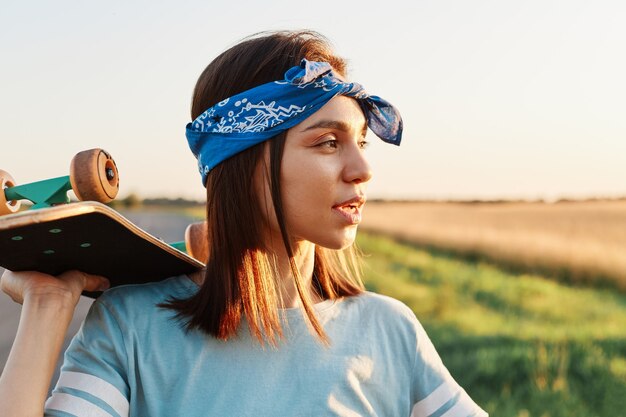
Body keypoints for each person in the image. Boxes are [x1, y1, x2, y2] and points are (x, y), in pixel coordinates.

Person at [0, 30, 488, 417]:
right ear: (243, 161)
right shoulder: (131, 326)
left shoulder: (390, 330)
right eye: (326, 142)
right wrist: (47, 304)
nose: (362, 169)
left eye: (362, 141)